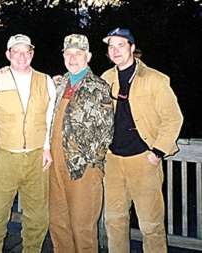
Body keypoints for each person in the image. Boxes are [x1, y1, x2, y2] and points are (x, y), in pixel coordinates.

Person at [101, 27, 183, 253]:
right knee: (114, 221)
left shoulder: (155, 79)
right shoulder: (105, 79)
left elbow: (173, 118)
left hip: (144, 161)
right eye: (111, 46)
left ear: (132, 47)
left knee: (151, 225)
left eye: (120, 45)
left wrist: (157, 152)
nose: (115, 50)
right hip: (113, 161)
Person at [0, 34, 56, 253]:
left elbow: (49, 118)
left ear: (32, 54)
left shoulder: (46, 81)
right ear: (8, 55)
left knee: (38, 216)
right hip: (4, 157)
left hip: (36, 157)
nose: (22, 56)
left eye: (26, 51)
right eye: (16, 51)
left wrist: (46, 147)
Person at [49, 34, 114, 253]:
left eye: (78, 53)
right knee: (59, 225)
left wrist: (89, 164)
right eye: (68, 53)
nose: (73, 58)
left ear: (89, 56)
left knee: (82, 230)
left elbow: (106, 132)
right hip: (56, 167)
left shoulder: (98, 86)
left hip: (83, 169)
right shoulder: (59, 83)